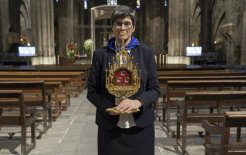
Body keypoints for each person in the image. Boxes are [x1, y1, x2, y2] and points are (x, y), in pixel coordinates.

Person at [87, 5, 160, 155]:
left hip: (141, 126)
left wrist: (137, 102)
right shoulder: (100, 54)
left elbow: (154, 89)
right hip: (110, 128)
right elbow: (92, 91)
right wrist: (111, 107)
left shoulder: (146, 53)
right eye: (118, 23)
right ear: (112, 27)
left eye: (127, 23)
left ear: (133, 27)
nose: (123, 27)